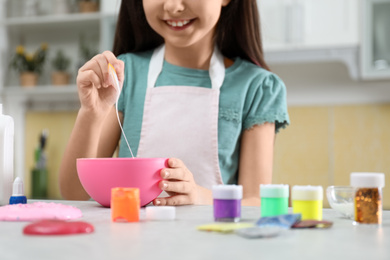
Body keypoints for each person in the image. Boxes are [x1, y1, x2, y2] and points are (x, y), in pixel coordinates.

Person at [59, 0, 289, 206]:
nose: (173, 6)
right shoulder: (123, 76)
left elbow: (256, 201)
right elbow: (74, 193)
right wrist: (91, 113)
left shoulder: (257, 87)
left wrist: (199, 197)